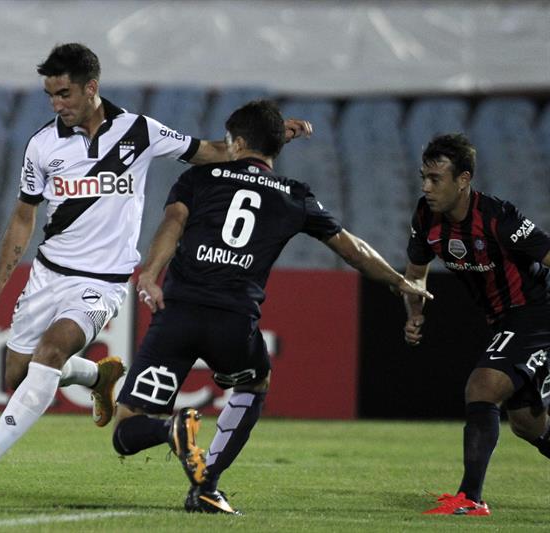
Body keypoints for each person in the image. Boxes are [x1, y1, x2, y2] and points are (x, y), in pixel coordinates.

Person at [0, 44, 314, 495]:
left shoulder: (139, 132)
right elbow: (24, 216)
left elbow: (214, 151)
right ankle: (95, 375)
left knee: (50, 353)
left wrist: (272, 139)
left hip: (101, 283)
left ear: (92, 88)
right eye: (49, 95)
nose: (56, 104)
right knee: (18, 376)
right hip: (47, 274)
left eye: (64, 93)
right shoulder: (42, 145)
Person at [110, 99, 434, 514]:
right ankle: (207, 486)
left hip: (178, 313)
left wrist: (151, 274)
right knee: (253, 384)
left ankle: (170, 428)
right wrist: (399, 280)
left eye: (229, 141)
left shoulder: (198, 178)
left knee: (126, 427)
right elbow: (352, 249)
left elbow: (172, 223)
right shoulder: (295, 196)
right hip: (234, 323)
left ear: (238, 140)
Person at [403, 133, 550, 516]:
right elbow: (416, 274)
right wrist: (414, 312)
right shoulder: (425, 215)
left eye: (436, 179)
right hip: (504, 319)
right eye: (424, 177)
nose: (426, 187)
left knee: (482, 385)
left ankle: (470, 498)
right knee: (527, 423)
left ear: (464, 179)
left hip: (538, 312)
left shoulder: (498, 217)